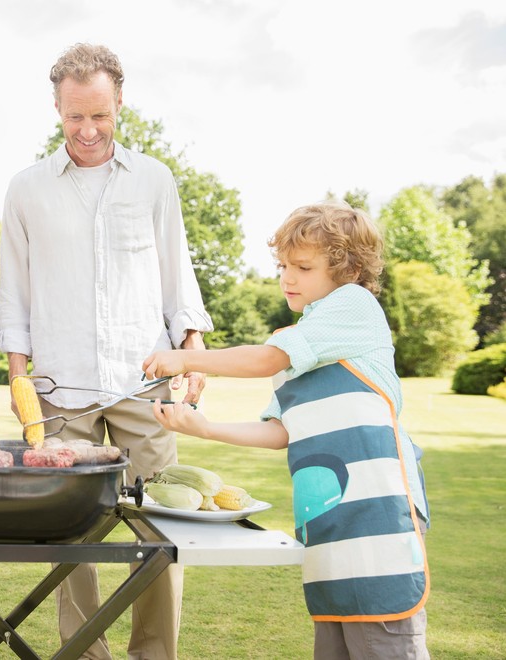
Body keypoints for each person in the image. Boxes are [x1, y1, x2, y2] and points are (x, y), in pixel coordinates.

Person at [0, 43, 213, 659]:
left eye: (100, 116)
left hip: (143, 385)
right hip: (61, 390)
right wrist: (18, 380)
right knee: (73, 541)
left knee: (160, 533)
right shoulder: (26, 189)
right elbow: (16, 290)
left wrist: (191, 346)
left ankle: (153, 655)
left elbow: (177, 276)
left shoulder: (154, 180)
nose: (87, 131)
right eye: (73, 118)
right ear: (56, 109)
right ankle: (85, 655)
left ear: (120, 104)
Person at [143, 202, 430, 659]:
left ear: (348, 269)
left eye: (303, 267)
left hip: (376, 517)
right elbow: (280, 431)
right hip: (329, 520)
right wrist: (203, 427)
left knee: (381, 637)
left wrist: (188, 357)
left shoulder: (352, 306)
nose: (287, 278)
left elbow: (266, 358)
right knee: (335, 639)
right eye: (282, 266)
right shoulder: (305, 339)